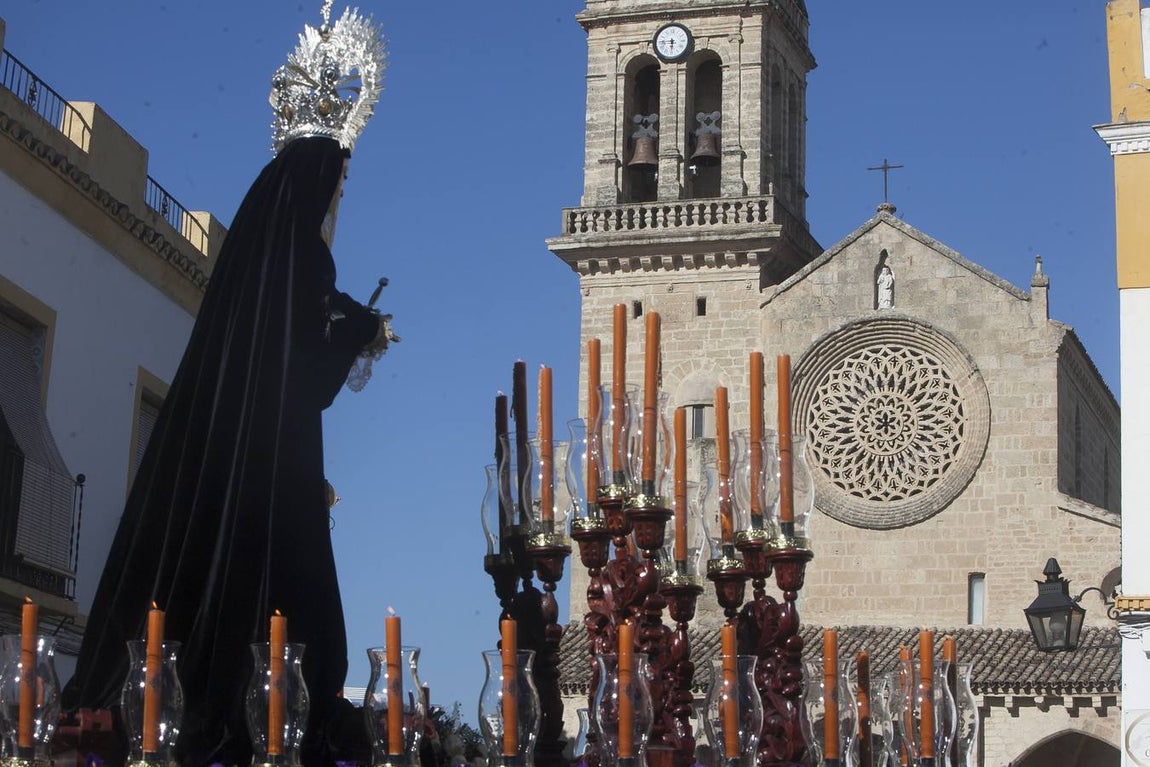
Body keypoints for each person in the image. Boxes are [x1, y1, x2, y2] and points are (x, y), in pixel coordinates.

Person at [62, 8, 391, 767]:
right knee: (285, 624)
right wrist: (358, 333)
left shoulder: (252, 261)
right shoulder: (308, 263)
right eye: (338, 186)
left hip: (221, 470)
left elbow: (274, 350)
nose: (339, 200)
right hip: (273, 476)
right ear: (317, 188)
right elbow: (305, 379)